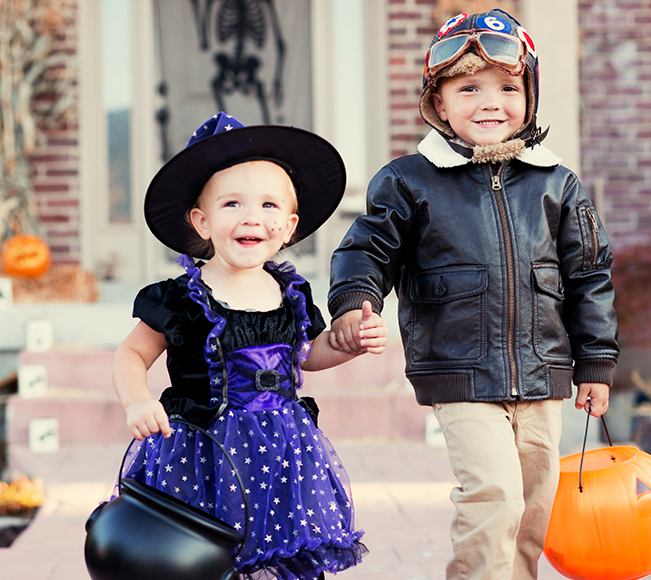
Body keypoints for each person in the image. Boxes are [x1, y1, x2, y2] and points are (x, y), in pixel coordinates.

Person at [326, 9, 619, 580]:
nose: (491, 102)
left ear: (529, 97)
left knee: (534, 509)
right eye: (469, 88)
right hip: (459, 367)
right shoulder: (410, 179)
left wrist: (597, 362)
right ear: (439, 104)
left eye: (509, 87)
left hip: (543, 370)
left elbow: (590, 274)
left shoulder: (555, 182)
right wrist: (355, 300)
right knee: (494, 496)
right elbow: (368, 249)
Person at [112, 111, 386, 580]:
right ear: (202, 221)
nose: (251, 218)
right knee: (201, 556)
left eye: (268, 206)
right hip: (200, 453)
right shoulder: (181, 298)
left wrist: (350, 343)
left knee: (276, 558)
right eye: (232, 204)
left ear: (288, 225)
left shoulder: (290, 294)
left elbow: (308, 354)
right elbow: (132, 354)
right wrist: (137, 399)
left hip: (282, 453)